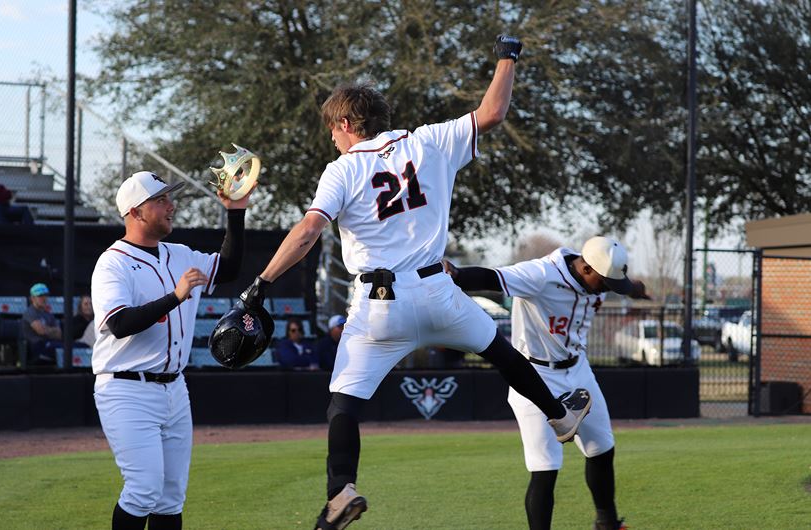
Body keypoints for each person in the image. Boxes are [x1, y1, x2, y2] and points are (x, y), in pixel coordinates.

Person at [235, 35, 591, 530]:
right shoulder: (428, 140)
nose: (332, 140)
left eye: (332, 131)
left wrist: (262, 282)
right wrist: (507, 55)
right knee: (500, 351)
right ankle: (559, 415)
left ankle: (341, 492)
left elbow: (309, 231)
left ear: (344, 124)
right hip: (437, 292)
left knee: (344, 403)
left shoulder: (342, 168)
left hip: (378, 303)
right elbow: (492, 113)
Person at [445, 236, 650, 530]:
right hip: (534, 376)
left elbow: (627, 286)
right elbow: (494, 277)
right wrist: (458, 274)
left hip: (578, 369)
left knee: (602, 449)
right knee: (546, 468)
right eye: (605, 282)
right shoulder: (541, 275)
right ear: (587, 269)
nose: (607, 288)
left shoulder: (601, 274)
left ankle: (607, 523)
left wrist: (637, 290)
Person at [90, 169, 253, 530]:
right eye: (160, 200)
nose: (171, 206)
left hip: (175, 389)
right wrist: (175, 297)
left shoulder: (178, 254)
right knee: (143, 489)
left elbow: (228, 268)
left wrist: (236, 211)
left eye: (169, 198)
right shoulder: (112, 263)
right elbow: (119, 324)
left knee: (170, 497)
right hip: (126, 388)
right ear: (135, 212)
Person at [22, 282, 62, 364]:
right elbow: (41, 331)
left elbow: (59, 334)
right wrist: (51, 330)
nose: (44, 298)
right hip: (35, 346)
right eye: (40, 296)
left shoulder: (49, 314)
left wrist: (46, 329)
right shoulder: (29, 312)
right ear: (32, 298)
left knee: (70, 348)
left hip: (51, 344)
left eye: (46, 295)